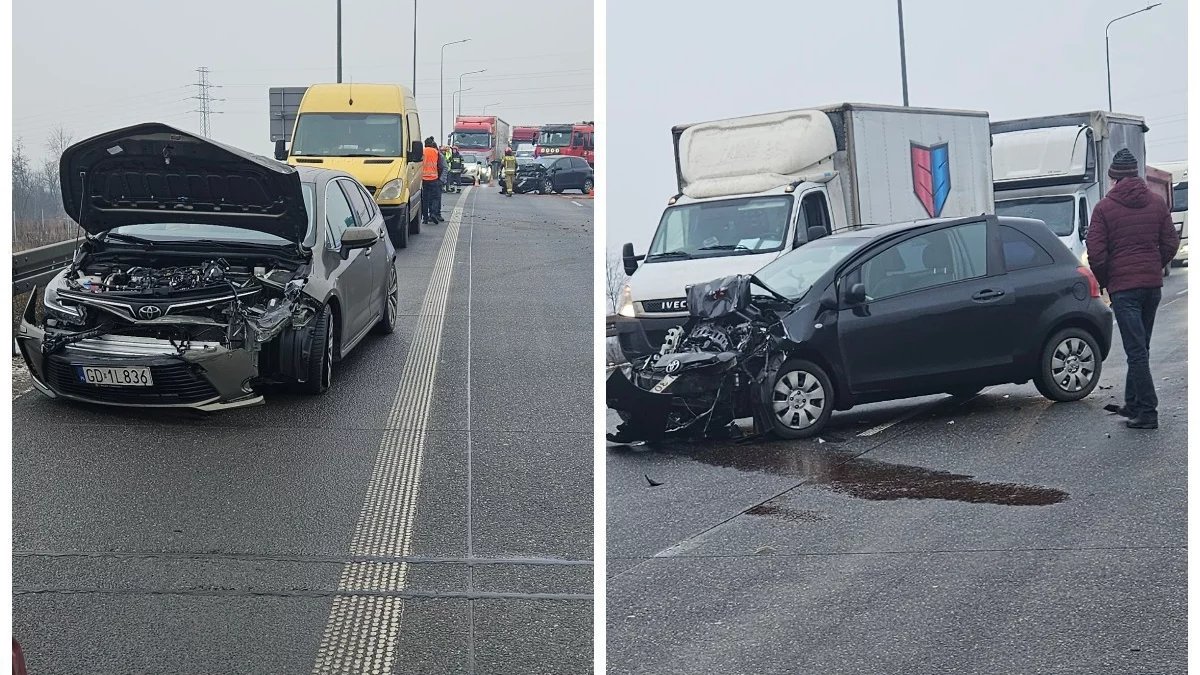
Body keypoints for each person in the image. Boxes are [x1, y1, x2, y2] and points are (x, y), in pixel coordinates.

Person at [1085, 148, 1180, 429]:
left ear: (1114, 177)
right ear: (1136, 175)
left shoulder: (1103, 208)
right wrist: (1153, 264)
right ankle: (1133, 402)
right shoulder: (1156, 203)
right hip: (1151, 287)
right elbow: (1171, 243)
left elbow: (1096, 253)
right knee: (1141, 348)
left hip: (1125, 289)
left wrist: (1108, 280)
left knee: (1136, 350)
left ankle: (1148, 412)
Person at [421, 137, 442, 224]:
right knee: (435, 198)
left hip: (424, 179)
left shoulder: (422, 151)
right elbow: (440, 166)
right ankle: (433, 213)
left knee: (425, 199)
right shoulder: (436, 152)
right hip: (434, 179)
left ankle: (425, 218)